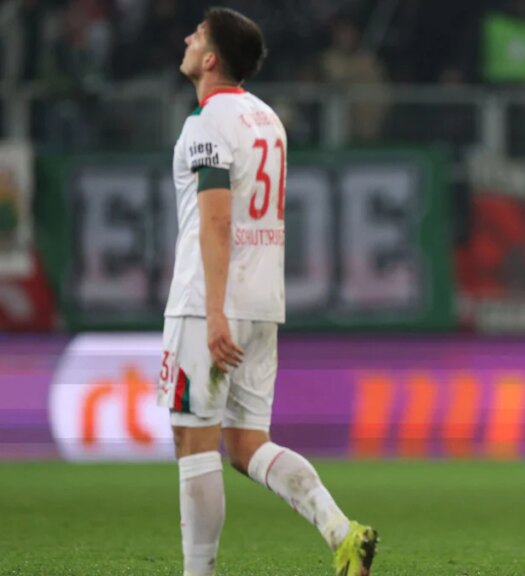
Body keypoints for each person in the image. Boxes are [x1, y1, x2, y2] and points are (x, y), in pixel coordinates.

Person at [156, 8, 377, 576]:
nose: (187, 39)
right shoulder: (267, 118)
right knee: (246, 443)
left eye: (197, 35)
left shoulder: (205, 123)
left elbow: (216, 219)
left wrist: (212, 311)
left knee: (194, 444)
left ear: (211, 58)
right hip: (262, 302)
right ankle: (341, 532)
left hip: (210, 304)